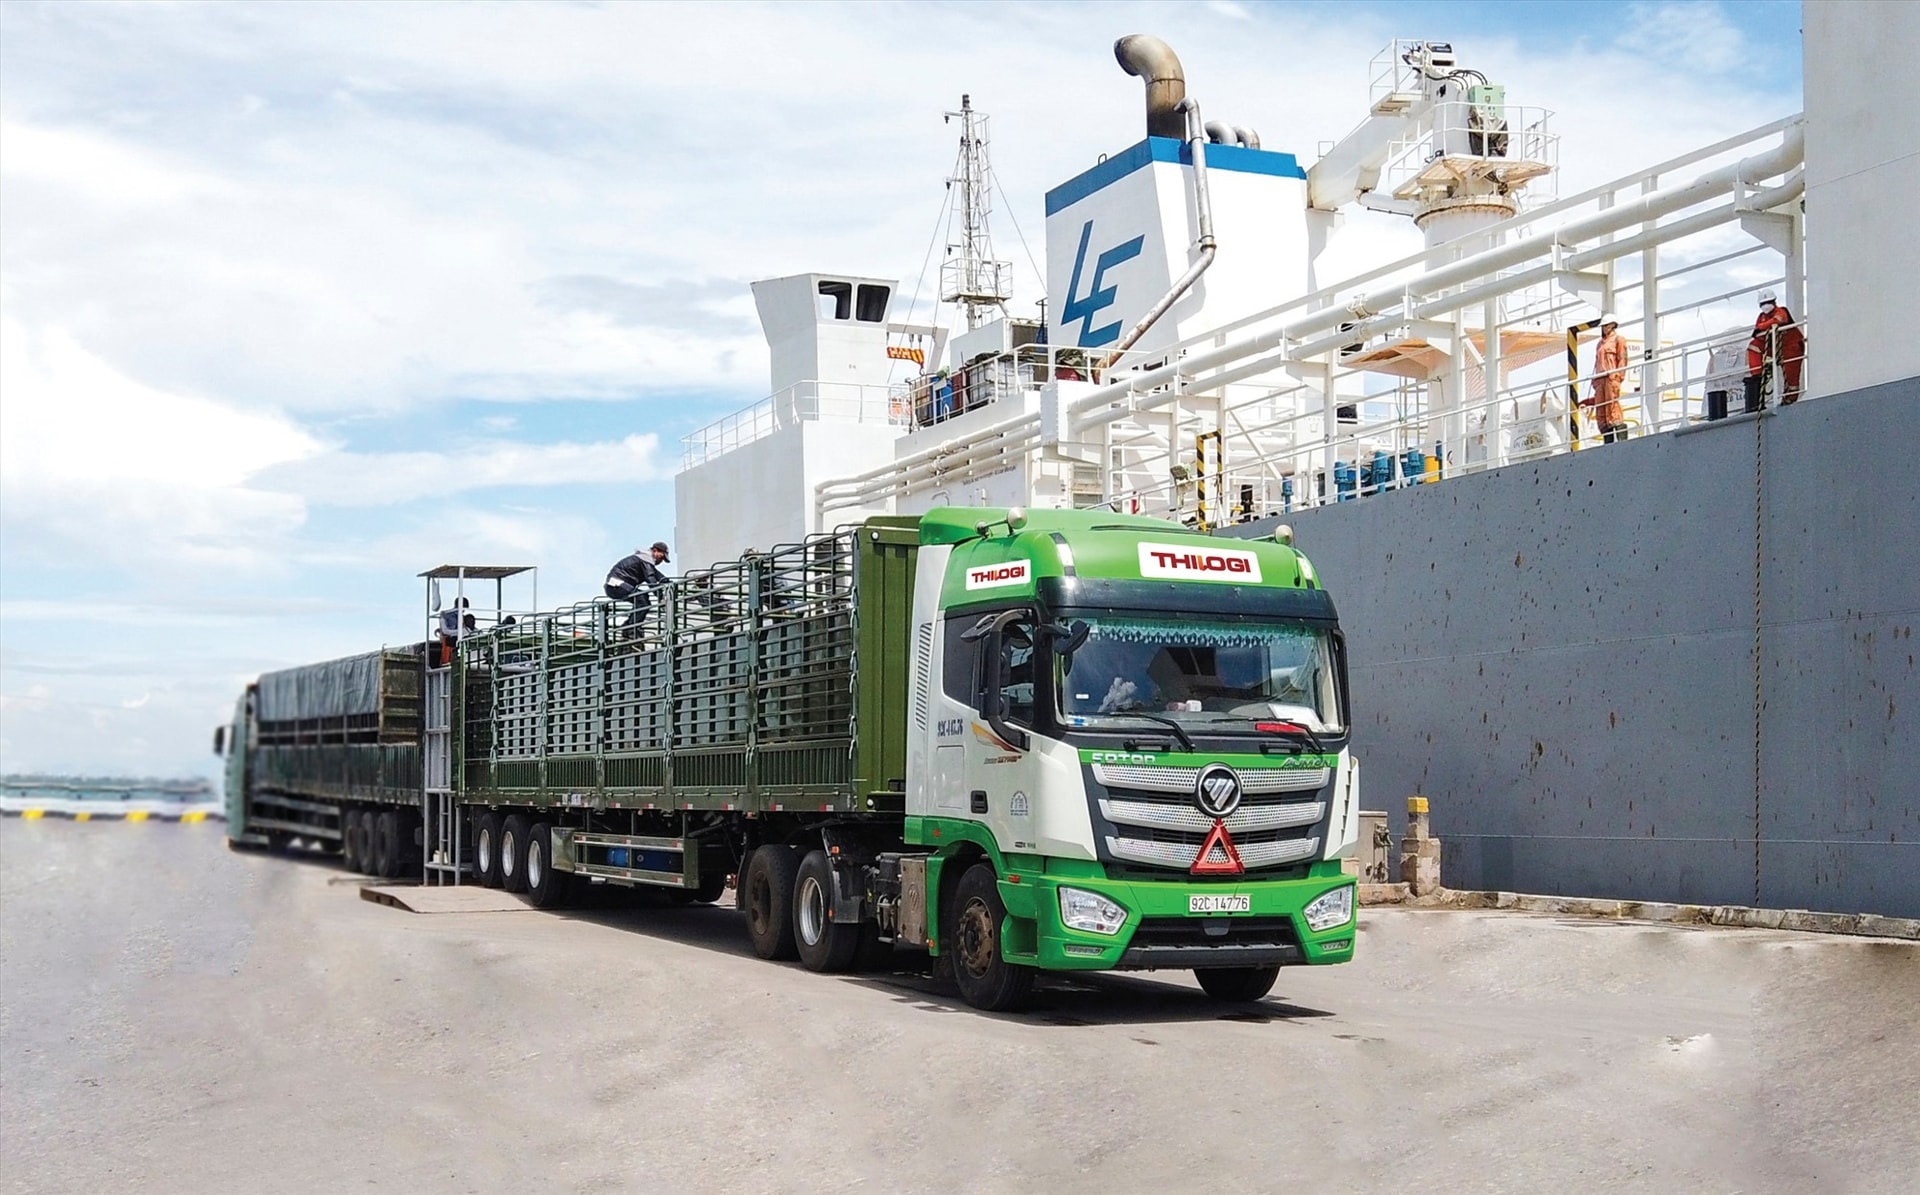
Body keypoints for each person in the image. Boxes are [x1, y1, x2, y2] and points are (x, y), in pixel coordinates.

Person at [1745, 291, 1806, 410]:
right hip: (1775, 347)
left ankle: (1789, 400)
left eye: (1768, 302)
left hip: (1792, 347)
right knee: (1753, 346)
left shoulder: (1781, 311)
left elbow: (1778, 320)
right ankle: (1757, 376)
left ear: (1774, 302)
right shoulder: (1761, 317)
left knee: (1791, 378)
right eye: (1763, 303)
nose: (1765, 305)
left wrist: (1762, 327)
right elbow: (1758, 332)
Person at [605, 541, 671, 630]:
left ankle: (629, 627)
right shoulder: (645, 560)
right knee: (642, 600)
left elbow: (657, 575)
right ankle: (631, 629)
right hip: (616, 584)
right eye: (661, 557)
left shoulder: (644, 560)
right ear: (655, 551)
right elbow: (650, 579)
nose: (661, 561)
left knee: (641, 600)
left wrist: (667, 582)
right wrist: (660, 597)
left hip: (615, 584)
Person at [1586, 313, 1630, 444]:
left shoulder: (1619, 340)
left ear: (1612, 325)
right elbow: (1597, 362)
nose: (1604, 328)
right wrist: (1594, 381)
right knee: (1601, 410)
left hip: (1611, 377)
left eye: (1606, 325)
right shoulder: (1600, 344)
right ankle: (1608, 441)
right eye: (1603, 326)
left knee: (1612, 407)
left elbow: (1622, 359)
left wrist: (1618, 377)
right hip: (1600, 379)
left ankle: (1621, 439)